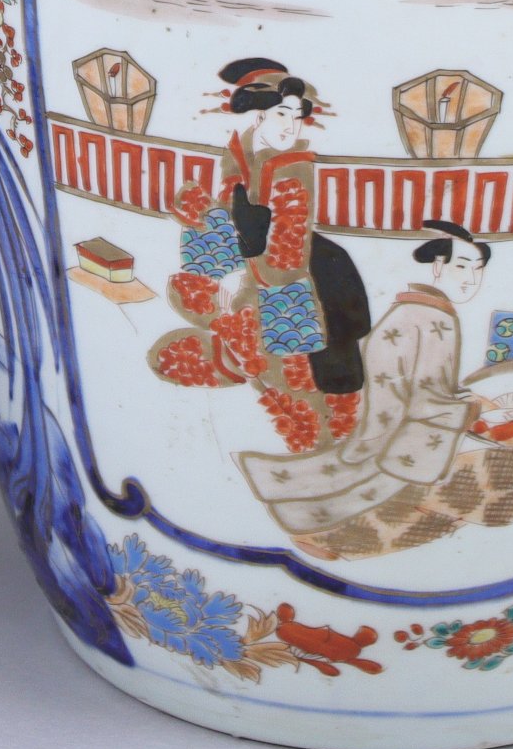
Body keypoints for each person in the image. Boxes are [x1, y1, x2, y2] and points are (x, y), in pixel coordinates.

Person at [238, 220, 513, 560]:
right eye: (462, 266)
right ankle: (330, 536)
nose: (471, 279)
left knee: (339, 481)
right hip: (398, 441)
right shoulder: (433, 320)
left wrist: (471, 402)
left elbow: (427, 389)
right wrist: (477, 408)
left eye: (478, 269)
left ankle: (314, 524)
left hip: (382, 431)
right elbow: (425, 401)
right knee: (506, 470)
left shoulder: (409, 312)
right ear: (438, 266)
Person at [146, 58, 373, 454]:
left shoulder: (293, 169)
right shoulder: (240, 155)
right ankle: (235, 361)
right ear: (257, 115)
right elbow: (230, 215)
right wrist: (218, 248)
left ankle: (323, 436)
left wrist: (242, 279)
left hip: (308, 275)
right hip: (257, 267)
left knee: (306, 361)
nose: (291, 126)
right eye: (281, 114)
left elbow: (289, 251)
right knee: (222, 317)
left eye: (297, 117)